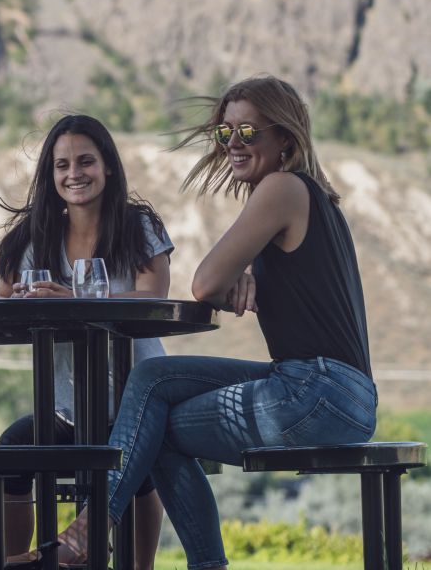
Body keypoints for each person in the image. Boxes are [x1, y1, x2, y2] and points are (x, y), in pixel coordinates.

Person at [51, 76, 377, 569]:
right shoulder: (311, 198)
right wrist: (246, 279)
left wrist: (231, 281)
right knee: (153, 379)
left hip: (318, 390)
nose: (234, 145)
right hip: (331, 388)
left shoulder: (281, 188)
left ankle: (93, 529)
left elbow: (203, 285)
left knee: (152, 426)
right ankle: (101, 531)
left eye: (248, 133)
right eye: (226, 134)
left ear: (285, 137)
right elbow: (228, 285)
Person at [0, 114, 173, 569]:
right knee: (12, 452)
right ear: (50, 175)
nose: (73, 173)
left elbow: (153, 294)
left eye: (86, 161)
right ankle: (18, 561)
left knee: (139, 464)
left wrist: (74, 298)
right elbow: (1, 289)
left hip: (136, 401)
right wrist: (20, 295)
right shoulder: (38, 234)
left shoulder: (137, 225)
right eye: (61, 165)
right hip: (67, 406)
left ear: (108, 166)